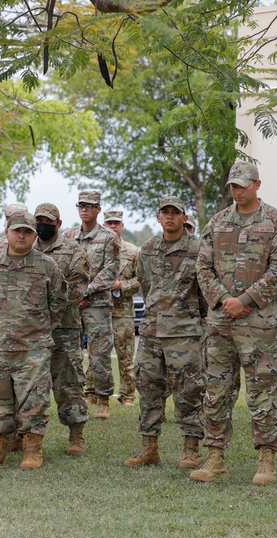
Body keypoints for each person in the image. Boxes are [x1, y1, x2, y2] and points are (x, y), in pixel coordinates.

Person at [193, 159, 277, 486]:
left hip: (259, 326)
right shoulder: (218, 221)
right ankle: (215, 458)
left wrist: (246, 300)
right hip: (221, 323)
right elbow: (202, 267)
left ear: (257, 185)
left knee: (262, 392)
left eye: (242, 185)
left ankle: (266, 460)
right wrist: (224, 299)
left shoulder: (276, 223)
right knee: (216, 390)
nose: (236, 191)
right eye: (232, 186)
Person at [0, 210, 65, 470]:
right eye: (17, 231)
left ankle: (33, 451)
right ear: (7, 233)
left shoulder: (47, 266)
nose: (22, 236)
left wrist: (37, 331)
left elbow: (57, 303)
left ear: (35, 235)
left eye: (27, 231)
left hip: (32, 348)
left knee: (34, 400)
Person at [124, 197, 206, 470]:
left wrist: (197, 323)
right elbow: (145, 286)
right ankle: (149, 448)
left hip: (185, 334)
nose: (170, 217)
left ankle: (190, 449)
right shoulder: (147, 250)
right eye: (165, 213)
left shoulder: (198, 248)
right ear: (158, 217)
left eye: (175, 213)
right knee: (147, 389)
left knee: (189, 391)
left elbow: (205, 291)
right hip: (151, 332)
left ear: (185, 218)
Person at [33, 203, 92, 454]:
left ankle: (76, 435)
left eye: (48, 221)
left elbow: (78, 288)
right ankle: (23, 434)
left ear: (58, 224)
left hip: (64, 327)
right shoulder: (25, 248)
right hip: (31, 329)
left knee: (69, 382)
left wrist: (48, 295)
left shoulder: (72, 251)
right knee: (30, 383)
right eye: (39, 220)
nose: (42, 225)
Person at [62, 190, 120, 419]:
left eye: (89, 205)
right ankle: (79, 395)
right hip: (73, 304)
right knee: (71, 353)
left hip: (97, 304)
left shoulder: (108, 237)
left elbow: (111, 270)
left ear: (98, 209)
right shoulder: (67, 236)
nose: (84, 209)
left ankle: (103, 399)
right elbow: (62, 267)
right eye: (81, 205)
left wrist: (86, 291)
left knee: (99, 353)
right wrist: (74, 294)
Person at [100, 210, 141, 406]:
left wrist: (121, 286)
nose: (113, 226)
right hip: (98, 310)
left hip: (122, 311)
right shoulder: (96, 251)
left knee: (125, 356)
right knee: (97, 355)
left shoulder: (133, 251)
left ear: (122, 226)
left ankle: (127, 395)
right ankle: (93, 393)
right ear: (103, 226)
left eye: (116, 223)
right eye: (109, 223)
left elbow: (141, 280)